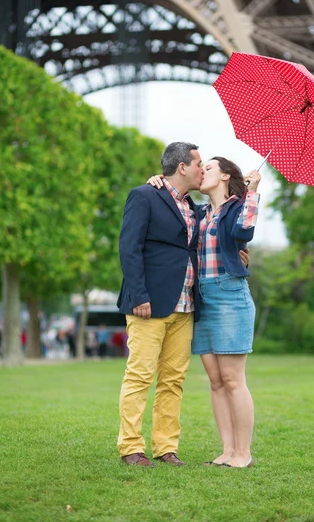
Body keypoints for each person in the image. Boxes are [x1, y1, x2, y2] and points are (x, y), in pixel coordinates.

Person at [117, 142, 250, 468]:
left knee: (172, 381)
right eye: (198, 164)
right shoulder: (145, 195)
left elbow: (226, 234)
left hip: (187, 308)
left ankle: (166, 448)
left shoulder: (195, 208)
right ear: (182, 168)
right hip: (150, 304)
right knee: (139, 377)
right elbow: (128, 248)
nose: (202, 169)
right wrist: (139, 295)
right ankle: (131, 447)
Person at [148, 156, 260, 468]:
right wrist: (159, 180)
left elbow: (244, 233)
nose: (202, 170)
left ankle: (243, 453)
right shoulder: (200, 213)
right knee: (215, 380)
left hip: (230, 296)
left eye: (208, 167)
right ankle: (226, 451)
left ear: (225, 176)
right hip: (204, 300)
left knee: (233, 379)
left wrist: (252, 191)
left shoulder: (238, 206)